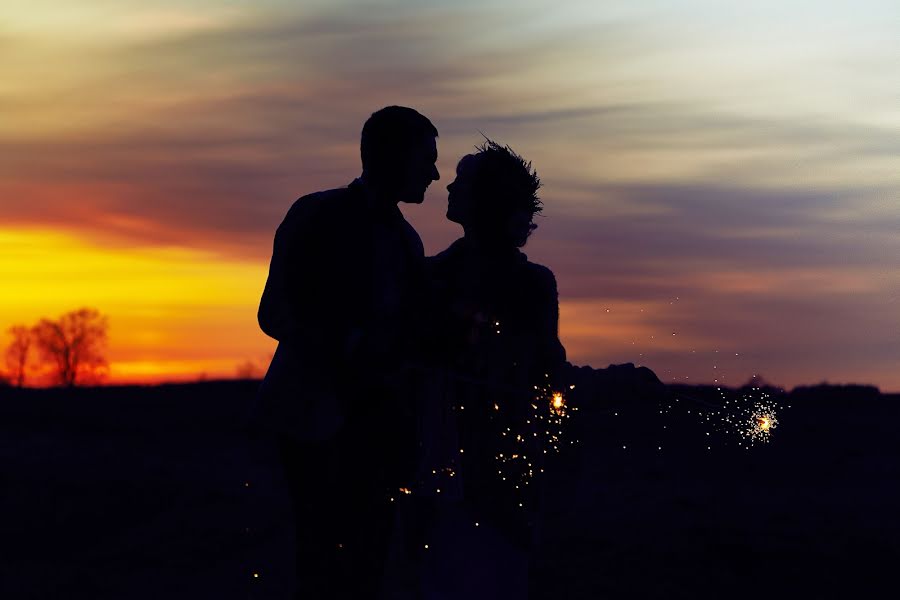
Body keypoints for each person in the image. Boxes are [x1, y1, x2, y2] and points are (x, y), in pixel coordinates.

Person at [252, 106, 439, 599]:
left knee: (365, 568)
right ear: (391, 155)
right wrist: (350, 346)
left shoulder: (408, 243)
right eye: (428, 158)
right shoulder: (315, 214)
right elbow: (274, 312)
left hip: (374, 436)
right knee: (312, 564)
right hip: (308, 424)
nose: (436, 173)